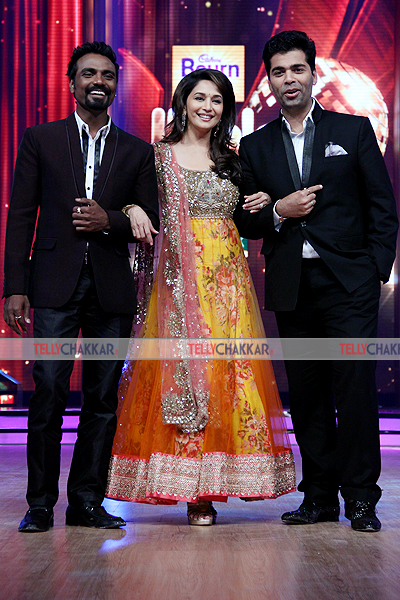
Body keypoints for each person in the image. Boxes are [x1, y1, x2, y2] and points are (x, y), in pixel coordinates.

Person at [106, 69, 296, 525]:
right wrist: (131, 208)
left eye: (217, 100)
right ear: (182, 102)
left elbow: (251, 216)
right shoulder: (157, 157)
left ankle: (210, 488)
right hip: (175, 284)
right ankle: (185, 486)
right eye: (199, 98)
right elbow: (134, 204)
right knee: (185, 376)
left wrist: (265, 200)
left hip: (228, 286)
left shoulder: (234, 159)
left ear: (225, 109)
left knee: (226, 376)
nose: (207, 106)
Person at [234, 30, 398, 532]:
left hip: (350, 285)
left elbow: (382, 209)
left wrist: (372, 271)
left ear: (313, 73)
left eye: (297, 69)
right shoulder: (255, 146)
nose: (288, 79)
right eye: (279, 72)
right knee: (305, 395)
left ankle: (362, 499)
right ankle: (319, 497)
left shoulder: (352, 132)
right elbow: (246, 221)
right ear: (270, 79)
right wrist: (279, 212)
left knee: (353, 390)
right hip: (292, 285)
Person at [3, 41, 159, 532]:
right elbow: (22, 215)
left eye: (107, 75)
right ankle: (40, 504)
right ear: (71, 84)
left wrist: (108, 220)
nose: (99, 81)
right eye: (88, 73)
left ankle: (87, 501)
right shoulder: (40, 139)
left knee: (102, 397)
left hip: (112, 288)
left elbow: (150, 217)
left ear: (116, 85)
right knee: (48, 388)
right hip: (51, 285)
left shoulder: (136, 151)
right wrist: (14, 286)